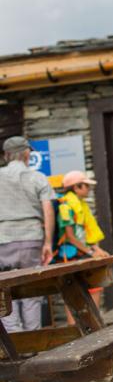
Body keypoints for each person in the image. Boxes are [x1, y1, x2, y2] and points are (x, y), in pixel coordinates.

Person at [0, 136, 55, 332]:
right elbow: (48, 210)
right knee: (32, 292)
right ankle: (33, 344)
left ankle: (15, 341)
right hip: (31, 239)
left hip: (3, 240)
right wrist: (48, 242)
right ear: (25, 153)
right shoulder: (37, 177)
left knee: (4, 291)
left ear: (7, 155)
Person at [56, 170, 110, 324]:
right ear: (77, 187)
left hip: (82, 252)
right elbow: (70, 237)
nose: (89, 189)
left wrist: (96, 249)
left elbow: (86, 232)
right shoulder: (65, 205)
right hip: (69, 254)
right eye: (86, 186)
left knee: (95, 286)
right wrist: (91, 252)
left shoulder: (81, 204)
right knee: (72, 293)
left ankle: (93, 324)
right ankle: (75, 330)